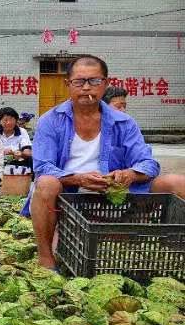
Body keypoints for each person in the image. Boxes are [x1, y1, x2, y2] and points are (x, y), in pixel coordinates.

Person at [26, 55, 184, 270]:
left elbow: (148, 163)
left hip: (116, 193)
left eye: (94, 81)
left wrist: (129, 174)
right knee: (46, 183)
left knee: (177, 183)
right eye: (79, 82)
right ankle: (46, 258)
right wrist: (79, 179)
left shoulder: (124, 122)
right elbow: (43, 166)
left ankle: (171, 253)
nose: (86, 88)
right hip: (70, 195)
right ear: (68, 85)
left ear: (106, 84)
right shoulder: (51, 121)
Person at [0, 107, 33, 175]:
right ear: (0, 121)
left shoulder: (22, 131)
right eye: (5, 120)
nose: (9, 123)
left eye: (12, 119)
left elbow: (28, 152)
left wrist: (20, 154)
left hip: (16, 163)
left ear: (16, 121)